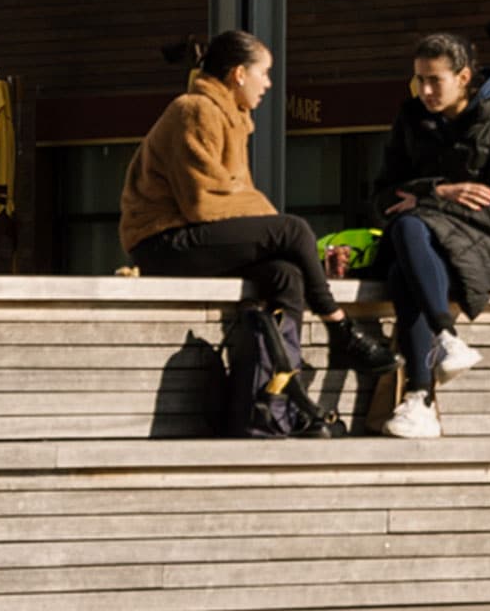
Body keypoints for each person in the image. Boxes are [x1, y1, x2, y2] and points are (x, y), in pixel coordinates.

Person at [121, 30, 396, 374]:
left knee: (285, 274)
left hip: (196, 238)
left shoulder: (232, 118)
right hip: (162, 243)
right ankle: (341, 330)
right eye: (263, 73)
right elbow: (204, 202)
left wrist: (280, 238)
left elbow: (237, 201)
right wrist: (277, 229)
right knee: (293, 229)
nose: (267, 84)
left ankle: (279, 388)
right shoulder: (193, 110)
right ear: (239, 74)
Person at [370, 33, 490, 440]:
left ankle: (421, 394)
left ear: (463, 77)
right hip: (419, 250)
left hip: (481, 248)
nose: (424, 90)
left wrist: (424, 199)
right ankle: (442, 345)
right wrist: (439, 189)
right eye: (418, 79)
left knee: (409, 233)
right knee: (407, 253)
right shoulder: (409, 119)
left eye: (434, 80)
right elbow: (382, 196)